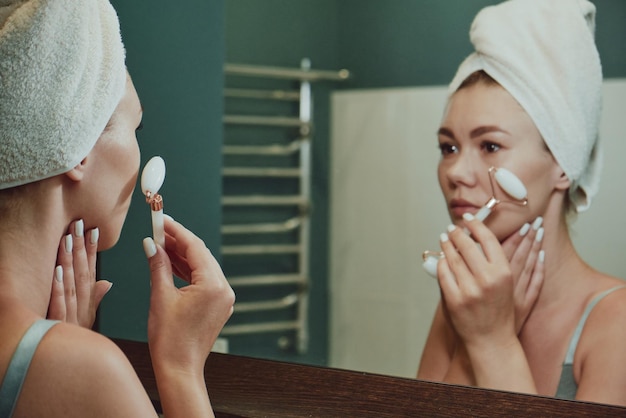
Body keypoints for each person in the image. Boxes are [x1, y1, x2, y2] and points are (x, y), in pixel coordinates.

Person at [0, 1, 235, 417]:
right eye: (136, 126)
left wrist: (60, 349)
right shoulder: (89, 372)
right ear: (75, 148)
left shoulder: (58, 363)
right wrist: (181, 368)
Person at [417, 0, 626, 406]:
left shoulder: (615, 322)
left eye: (490, 145)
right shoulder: (464, 302)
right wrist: (473, 338)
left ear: (562, 166)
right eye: (449, 146)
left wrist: (494, 343)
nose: (456, 171)